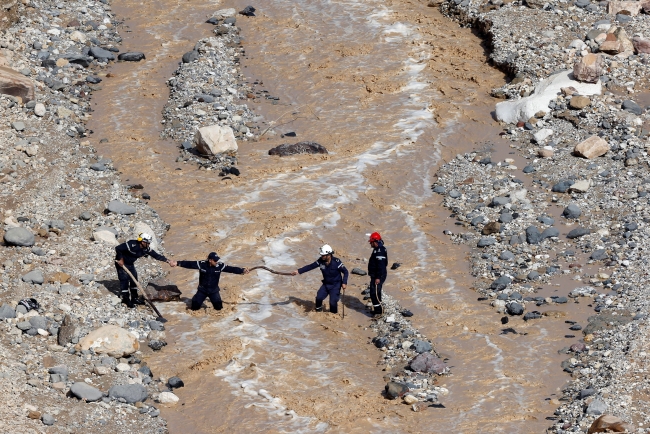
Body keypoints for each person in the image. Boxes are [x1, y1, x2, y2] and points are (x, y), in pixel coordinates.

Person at [173, 252, 249, 311]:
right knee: (194, 308)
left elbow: (231, 269)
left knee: (219, 309)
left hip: (214, 291)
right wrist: (177, 263)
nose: (217, 261)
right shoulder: (202, 264)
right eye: (215, 260)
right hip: (202, 290)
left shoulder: (220, 266)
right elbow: (189, 264)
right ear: (210, 260)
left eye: (217, 260)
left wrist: (242, 270)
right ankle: (195, 301)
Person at [115, 233, 173, 308]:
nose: (149, 244)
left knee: (134, 280)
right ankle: (126, 299)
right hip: (121, 263)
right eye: (148, 243)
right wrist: (120, 259)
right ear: (143, 242)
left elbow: (156, 256)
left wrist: (168, 261)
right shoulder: (131, 244)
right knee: (124, 280)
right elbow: (118, 248)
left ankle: (134, 298)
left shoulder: (146, 249)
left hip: (130, 264)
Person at [292, 244, 348, 314]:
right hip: (326, 284)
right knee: (319, 298)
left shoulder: (337, 262)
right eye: (321, 255)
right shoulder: (320, 261)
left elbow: (345, 272)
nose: (322, 256)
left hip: (335, 285)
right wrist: (298, 271)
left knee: (332, 302)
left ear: (329, 255)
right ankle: (318, 311)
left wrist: (344, 282)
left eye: (323, 255)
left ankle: (333, 315)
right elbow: (310, 266)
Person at [368, 232, 388, 316]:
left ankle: (379, 311)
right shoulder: (377, 249)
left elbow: (381, 266)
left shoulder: (380, 251)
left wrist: (378, 277)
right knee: (376, 292)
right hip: (376, 275)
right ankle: (378, 310)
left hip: (378, 275)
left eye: (371, 242)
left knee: (374, 293)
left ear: (375, 241)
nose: (370, 244)